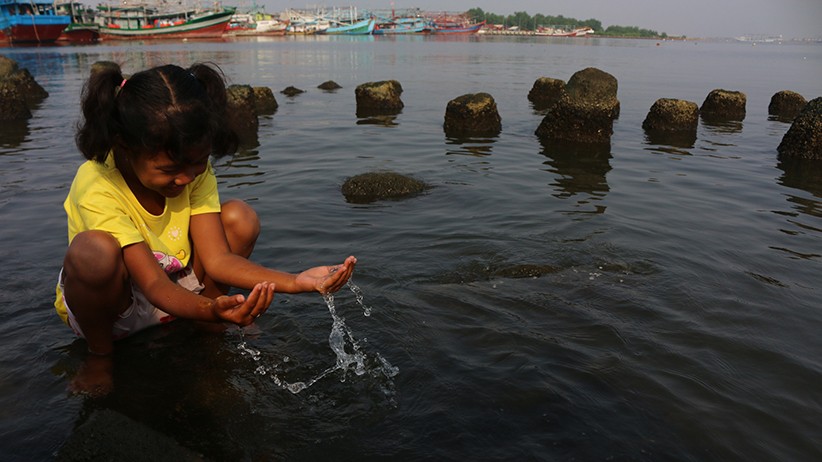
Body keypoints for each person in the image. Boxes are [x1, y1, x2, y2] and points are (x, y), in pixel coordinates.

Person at [54, 62, 356, 395]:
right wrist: (209, 307)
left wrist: (296, 282)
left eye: (198, 164)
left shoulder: (191, 167)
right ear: (125, 146)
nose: (185, 179)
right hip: (117, 309)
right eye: (170, 170)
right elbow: (153, 284)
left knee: (240, 217)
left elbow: (218, 260)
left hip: (178, 290)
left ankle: (208, 322)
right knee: (93, 252)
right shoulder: (97, 183)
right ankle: (100, 357)